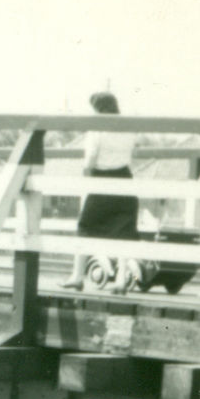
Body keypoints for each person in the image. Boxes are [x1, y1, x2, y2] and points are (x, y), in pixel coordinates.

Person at [64, 91, 140, 290]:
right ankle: (122, 279)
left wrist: (85, 178)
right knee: (124, 231)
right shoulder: (128, 127)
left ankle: (77, 275)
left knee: (85, 226)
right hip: (124, 178)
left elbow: (90, 159)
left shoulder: (96, 130)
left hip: (102, 179)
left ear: (98, 109)